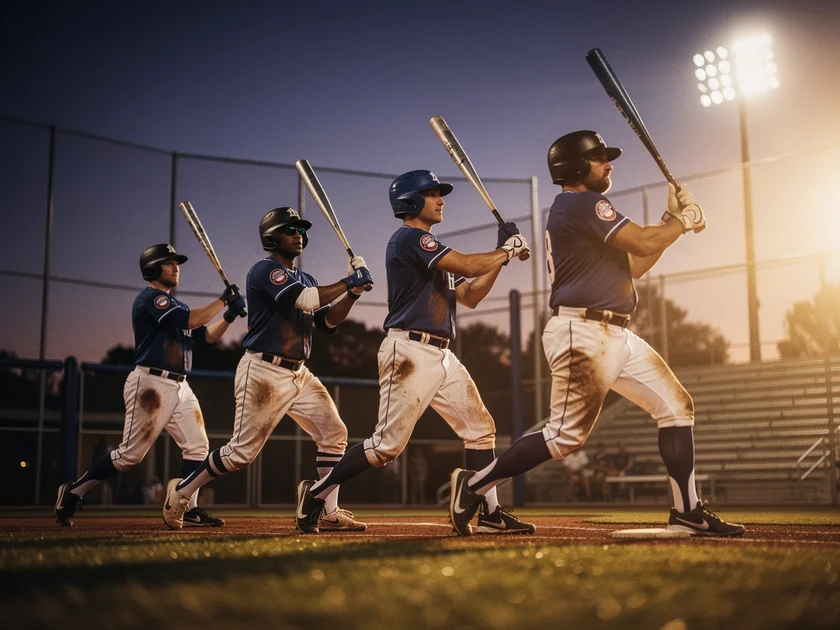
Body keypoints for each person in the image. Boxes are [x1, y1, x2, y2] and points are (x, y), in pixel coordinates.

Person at [449, 130, 745, 537]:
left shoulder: (580, 209)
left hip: (616, 333)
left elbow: (637, 262)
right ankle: (476, 485)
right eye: (599, 157)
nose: (608, 164)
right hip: (582, 333)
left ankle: (687, 511)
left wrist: (669, 222)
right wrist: (683, 221)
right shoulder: (582, 202)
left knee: (676, 407)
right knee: (563, 438)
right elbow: (642, 241)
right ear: (574, 167)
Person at [295, 169, 534, 534]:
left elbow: (469, 295)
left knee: (481, 429)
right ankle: (316, 494)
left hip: (442, 354)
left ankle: (488, 512)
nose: (440, 200)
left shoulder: (433, 250)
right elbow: (470, 264)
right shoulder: (409, 239)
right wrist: (505, 250)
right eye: (431, 194)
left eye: (440, 194)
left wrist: (501, 258)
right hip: (408, 352)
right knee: (386, 446)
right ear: (409, 201)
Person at [162, 207, 374, 532]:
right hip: (264, 371)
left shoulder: (307, 279)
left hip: (299, 374)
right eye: (290, 229)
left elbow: (327, 322)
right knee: (240, 454)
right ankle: (182, 491)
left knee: (335, 435)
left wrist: (354, 293)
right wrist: (348, 280)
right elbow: (305, 301)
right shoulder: (264, 270)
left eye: (301, 229)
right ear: (271, 238)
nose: (299, 234)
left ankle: (327, 510)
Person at [54, 243, 244, 527]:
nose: (175, 266)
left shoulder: (175, 304)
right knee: (130, 456)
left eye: (176, 262)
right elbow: (190, 319)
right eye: (169, 263)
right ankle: (74, 491)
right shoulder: (151, 299)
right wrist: (223, 302)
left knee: (197, 447)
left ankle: (187, 508)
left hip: (181, 385)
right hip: (151, 384)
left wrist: (228, 317)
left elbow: (205, 338)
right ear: (153, 268)